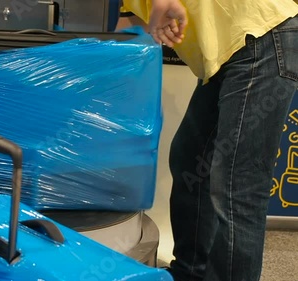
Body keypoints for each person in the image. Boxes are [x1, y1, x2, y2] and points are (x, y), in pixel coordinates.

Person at [122, 0, 298, 280]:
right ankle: (191, 272)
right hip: (227, 55)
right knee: (190, 161)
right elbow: (128, 25)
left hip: (262, 38)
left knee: (236, 186)